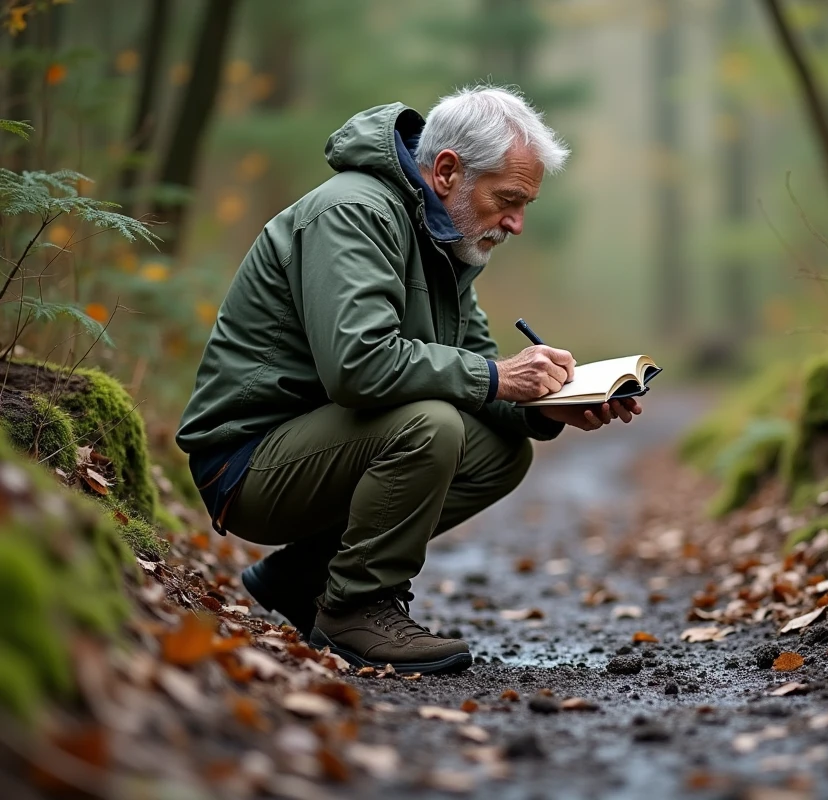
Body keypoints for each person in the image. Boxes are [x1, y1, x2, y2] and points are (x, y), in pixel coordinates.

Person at [176, 87, 641, 674]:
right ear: (447, 171)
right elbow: (361, 366)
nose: (517, 223)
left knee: (501, 451)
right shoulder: (354, 212)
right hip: (245, 460)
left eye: (525, 205)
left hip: (322, 443)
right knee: (430, 426)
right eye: (508, 199)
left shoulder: (446, 240)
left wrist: (548, 408)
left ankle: (302, 579)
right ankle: (355, 610)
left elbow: (474, 368)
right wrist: (499, 377)